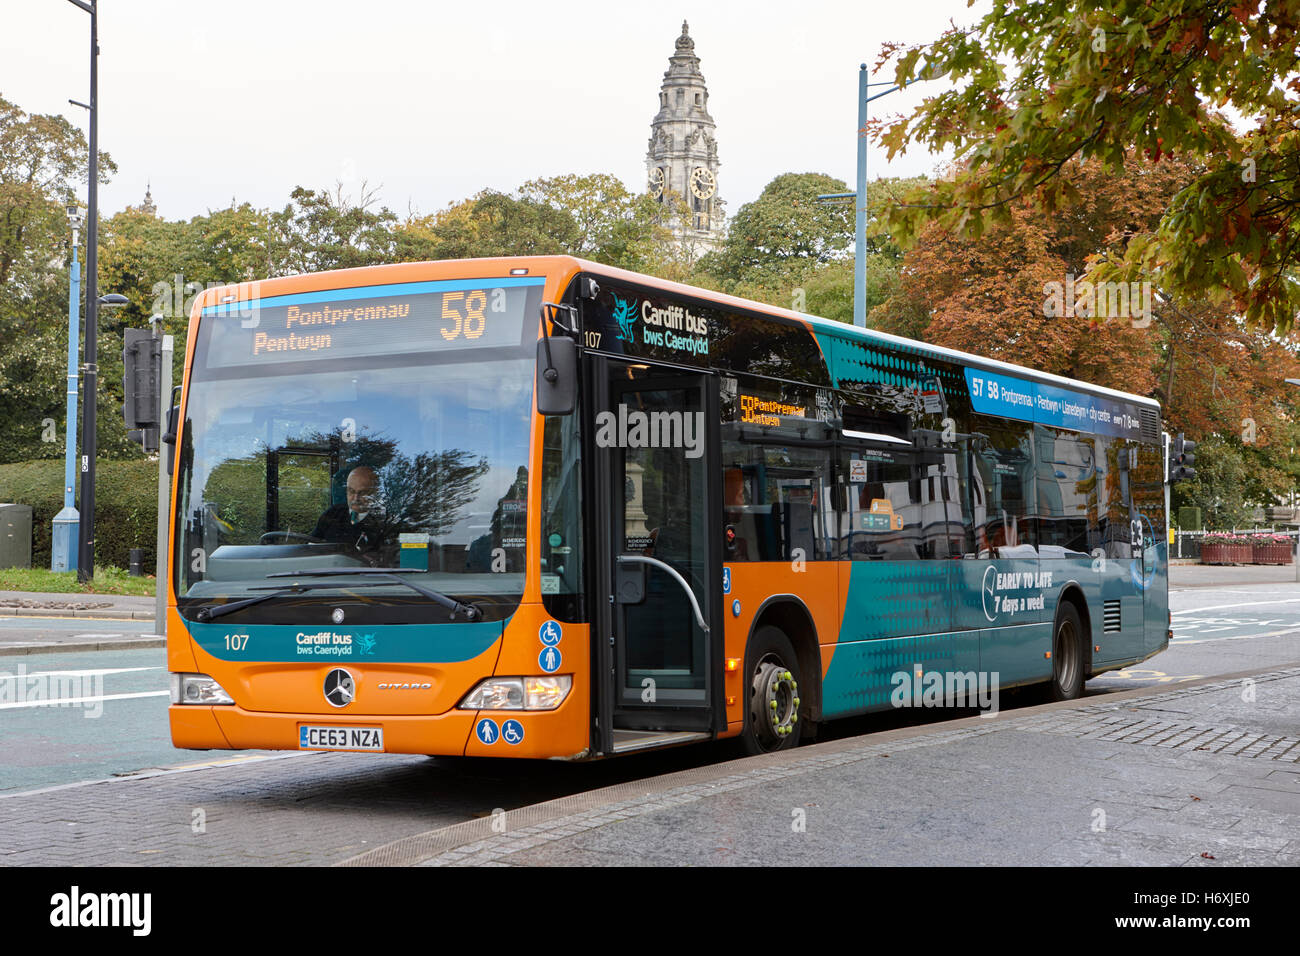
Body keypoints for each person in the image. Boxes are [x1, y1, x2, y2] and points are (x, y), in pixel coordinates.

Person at [311, 465, 389, 555]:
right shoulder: (332, 514)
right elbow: (311, 545)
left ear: (374, 493)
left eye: (362, 493)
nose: (355, 498)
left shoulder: (384, 521)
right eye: (351, 491)